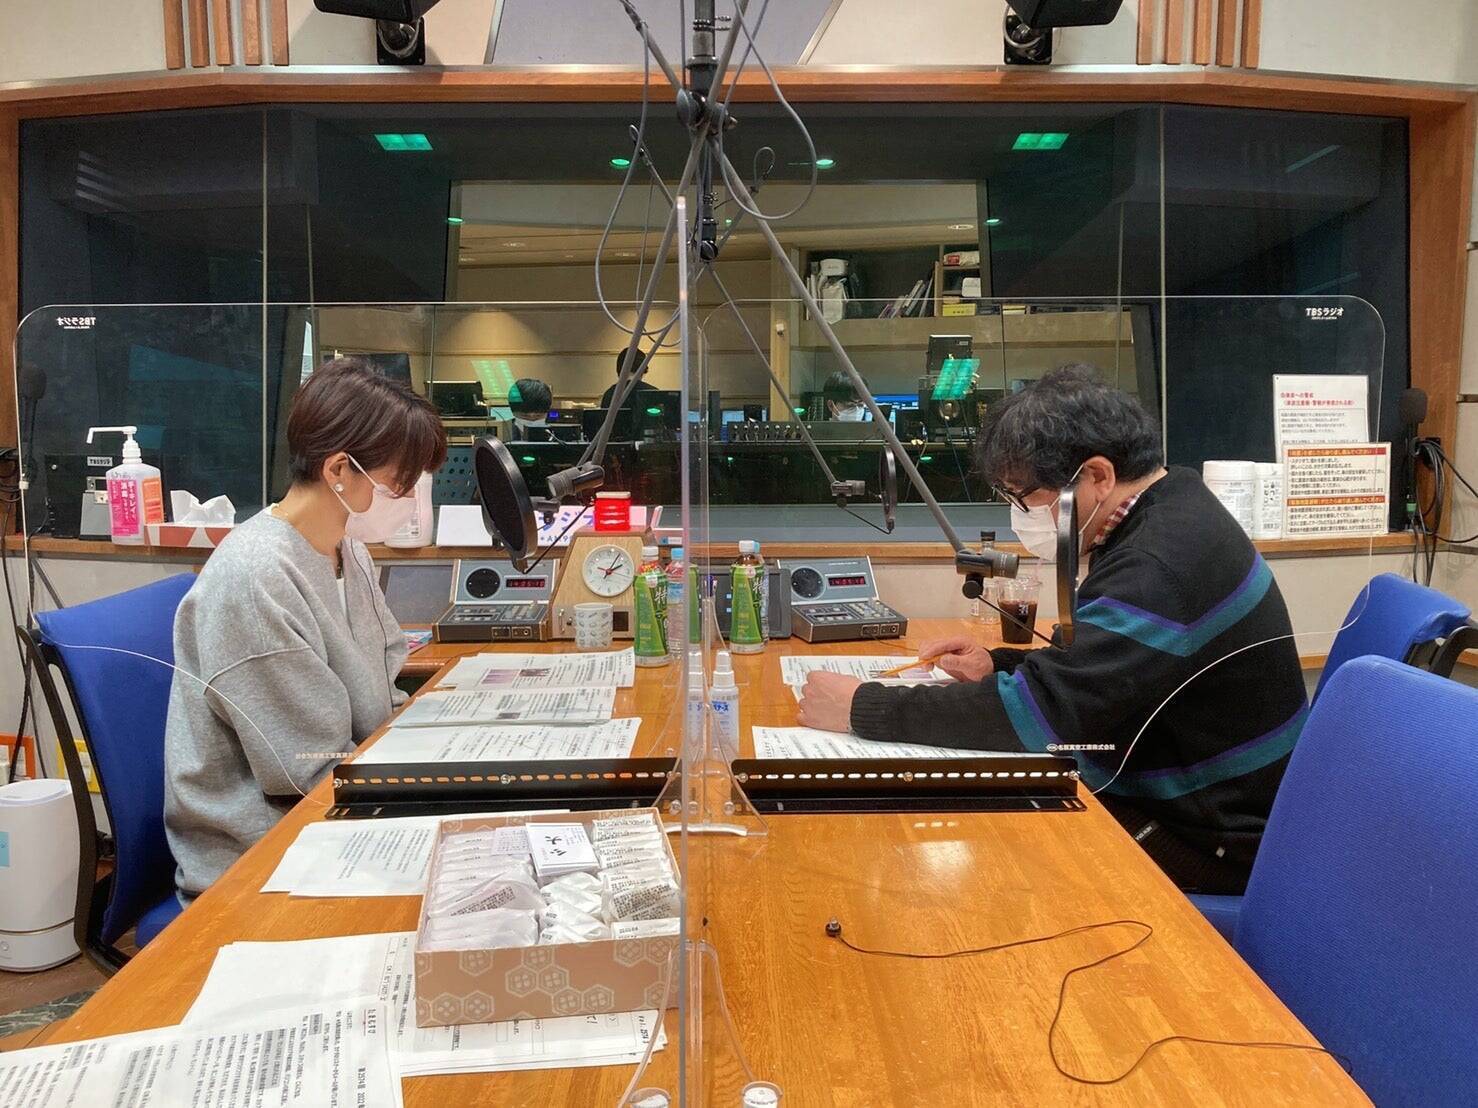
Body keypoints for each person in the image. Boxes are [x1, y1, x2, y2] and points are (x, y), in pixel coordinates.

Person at [797, 365, 1306, 894]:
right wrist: (996, 664)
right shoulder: (1174, 506)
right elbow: (1102, 669)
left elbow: (1045, 714)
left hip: (1210, 842)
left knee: (981, 852)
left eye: (1026, 497)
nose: (1022, 515)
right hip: (1194, 799)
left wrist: (862, 706)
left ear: (1098, 476)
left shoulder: (1159, 564)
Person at [164, 358, 448, 899]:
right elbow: (305, 772)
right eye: (399, 484)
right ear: (339, 470)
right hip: (265, 852)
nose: (410, 500)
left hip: (338, 805)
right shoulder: (256, 577)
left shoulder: (348, 551)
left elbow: (381, 694)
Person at [508, 377, 553, 442]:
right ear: (513, 413)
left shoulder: (556, 436)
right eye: (525, 416)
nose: (532, 421)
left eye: (538, 416)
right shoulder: (502, 435)